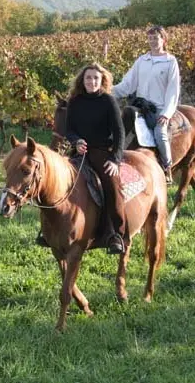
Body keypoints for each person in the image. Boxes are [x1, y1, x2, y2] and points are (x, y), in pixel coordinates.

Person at [66, 63, 126, 254]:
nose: (92, 81)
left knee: (111, 185)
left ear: (102, 81)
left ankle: (116, 233)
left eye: (95, 78)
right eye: (88, 78)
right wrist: (76, 141)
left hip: (101, 152)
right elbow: (69, 129)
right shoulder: (75, 101)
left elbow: (119, 132)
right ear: (82, 81)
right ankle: (51, 230)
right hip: (79, 152)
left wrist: (115, 160)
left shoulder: (108, 101)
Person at [113, 26, 180, 184]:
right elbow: (128, 84)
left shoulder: (170, 62)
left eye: (156, 38)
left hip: (158, 108)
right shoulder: (142, 60)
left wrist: (166, 113)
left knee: (159, 133)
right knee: (121, 125)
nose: (152, 41)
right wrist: (107, 90)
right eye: (150, 38)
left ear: (163, 40)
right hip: (140, 106)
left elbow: (173, 90)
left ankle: (166, 167)